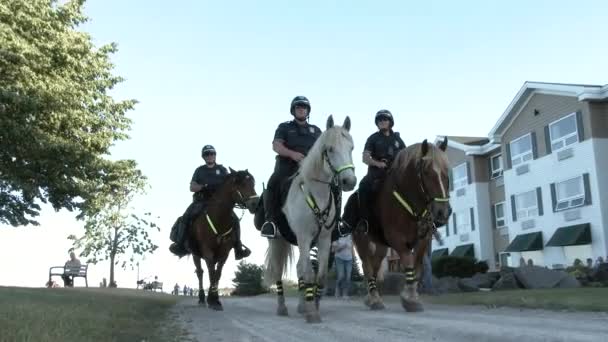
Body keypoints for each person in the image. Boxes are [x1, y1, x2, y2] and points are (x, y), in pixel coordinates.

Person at [169, 145, 250, 260]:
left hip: (219, 203)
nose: (210, 156)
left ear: (215, 155)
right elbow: (192, 187)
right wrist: (203, 187)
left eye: (212, 153)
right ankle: (180, 245)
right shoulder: (199, 170)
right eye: (207, 154)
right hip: (201, 201)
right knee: (186, 217)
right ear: (204, 157)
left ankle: (238, 248)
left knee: (235, 220)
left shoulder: (222, 170)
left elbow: (229, 184)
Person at [260, 96, 322, 238]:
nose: (301, 109)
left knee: (333, 183)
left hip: (310, 168)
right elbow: (276, 146)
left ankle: (336, 222)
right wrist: (292, 154)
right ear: (293, 110)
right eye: (298, 107)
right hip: (287, 166)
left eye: (304, 107)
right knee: (273, 182)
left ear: (308, 111)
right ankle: (270, 222)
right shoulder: (284, 127)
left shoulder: (316, 130)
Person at [355, 109, 406, 233]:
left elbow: (406, 156)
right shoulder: (373, 138)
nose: (382, 122)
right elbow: (365, 158)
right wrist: (378, 164)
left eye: (385, 119)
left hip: (396, 173)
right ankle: (364, 221)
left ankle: (425, 220)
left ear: (390, 122)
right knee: (363, 187)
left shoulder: (398, 140)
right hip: (376, 174)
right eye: (380, 120)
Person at [332, 234, 353, 299]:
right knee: (341, 276)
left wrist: (354, 257)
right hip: (339, 258)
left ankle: (345, 294)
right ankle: (337, 289)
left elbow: (352, 247)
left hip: (349, 259)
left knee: (348, 277)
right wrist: (343, 246)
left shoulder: (350, 236)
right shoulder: (337, 237)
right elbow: (333, 250)